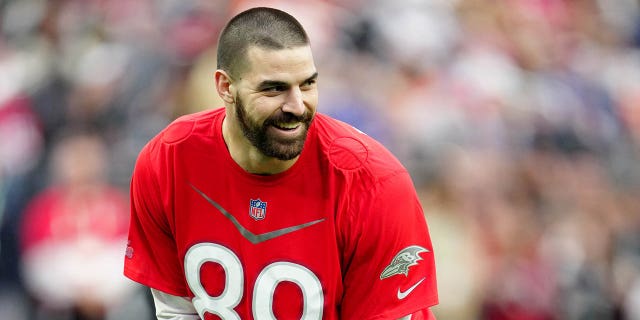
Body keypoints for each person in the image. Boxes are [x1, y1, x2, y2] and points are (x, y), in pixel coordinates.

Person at [123, 7, 438, 320]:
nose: (297, 106)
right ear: (225, 87)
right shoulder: (168, 161)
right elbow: (176, 311)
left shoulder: (374, 183)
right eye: (274, 88)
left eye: (307, 84)